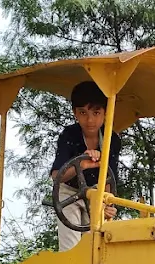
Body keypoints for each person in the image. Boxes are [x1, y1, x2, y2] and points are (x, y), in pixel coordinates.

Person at [49, 81, 122, 252]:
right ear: (75, 113)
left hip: (96, 195)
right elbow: (56, 175)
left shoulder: (112, 139)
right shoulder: (69, 134)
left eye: (96, 113)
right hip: (69, 193)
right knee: (71, 248)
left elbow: (110, 177)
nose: (90, 120)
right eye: (83, 113)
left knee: (95, 245)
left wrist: (108, 205)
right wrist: (81, 165)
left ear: (106, 113)